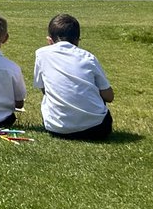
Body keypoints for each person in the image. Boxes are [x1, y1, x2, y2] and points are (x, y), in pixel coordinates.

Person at [34, 13, 114, 141]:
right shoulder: (88, 57)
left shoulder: (41, 54)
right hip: (96, 129)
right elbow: (109, 96)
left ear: (50, 40)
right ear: (77, 40)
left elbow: (44, 90)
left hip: (56, 127)